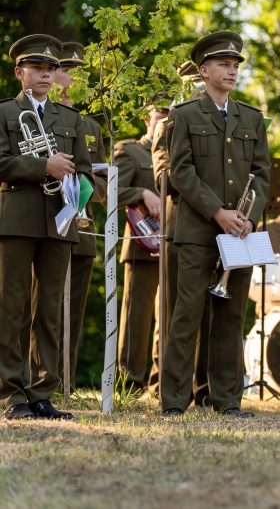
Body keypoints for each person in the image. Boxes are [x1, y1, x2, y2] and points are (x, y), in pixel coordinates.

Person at [160, 31, 270, 417]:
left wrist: (247, 217)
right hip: (196, 230)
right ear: (203, 70)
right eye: (223, 64)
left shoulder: (252, 118)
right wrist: (218, 213)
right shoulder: (184, 115)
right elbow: (181, 171)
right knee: (186, 314)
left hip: (240, 232)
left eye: (235, 65)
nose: (231, 70)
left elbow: (261, 173)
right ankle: (174, 400)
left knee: (232, 316)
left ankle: (226, 399)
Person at [0, 34, 92, 420]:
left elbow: (85, 171)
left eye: (51, 69)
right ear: (20, 72)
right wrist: (43, 168)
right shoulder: (5, 112)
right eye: (37, 68)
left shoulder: (71, 119)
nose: (45, 74)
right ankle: (10, 394)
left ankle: (42, 391)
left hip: (60, 220)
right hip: (17, 219)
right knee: (11, 308)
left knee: (51, 309)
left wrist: (79, 196)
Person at [41, 42, 107, 386]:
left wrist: (83, 191)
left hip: (81, 228)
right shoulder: (39, 118)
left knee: (74, 313)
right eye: (69, 71)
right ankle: (29, 379)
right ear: (53, 74)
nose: (74, 80)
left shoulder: (91, 126)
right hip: (43, 224)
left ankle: (63, 382)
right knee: (39, 308)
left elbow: (103, 183)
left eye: (81, 74)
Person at [149, 61, 210, 400]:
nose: (198, 89)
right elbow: (162, 178)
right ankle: (172, 389)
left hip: (218, 226)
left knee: (214, 313)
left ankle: (207, 388)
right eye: (192, 84)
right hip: (182, 224)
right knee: (178, 313)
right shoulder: (171, 122)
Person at [114, 106, 168, 392]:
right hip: (142, 243)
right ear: (148, 120)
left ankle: (161, 383)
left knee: (169, 317)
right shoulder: (131, 150)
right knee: (137, 316)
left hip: (174, 245)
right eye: (160, 118)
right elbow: (109, 190)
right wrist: (141, 192)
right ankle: (129, 384)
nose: (164, 124)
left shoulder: (177, 154)